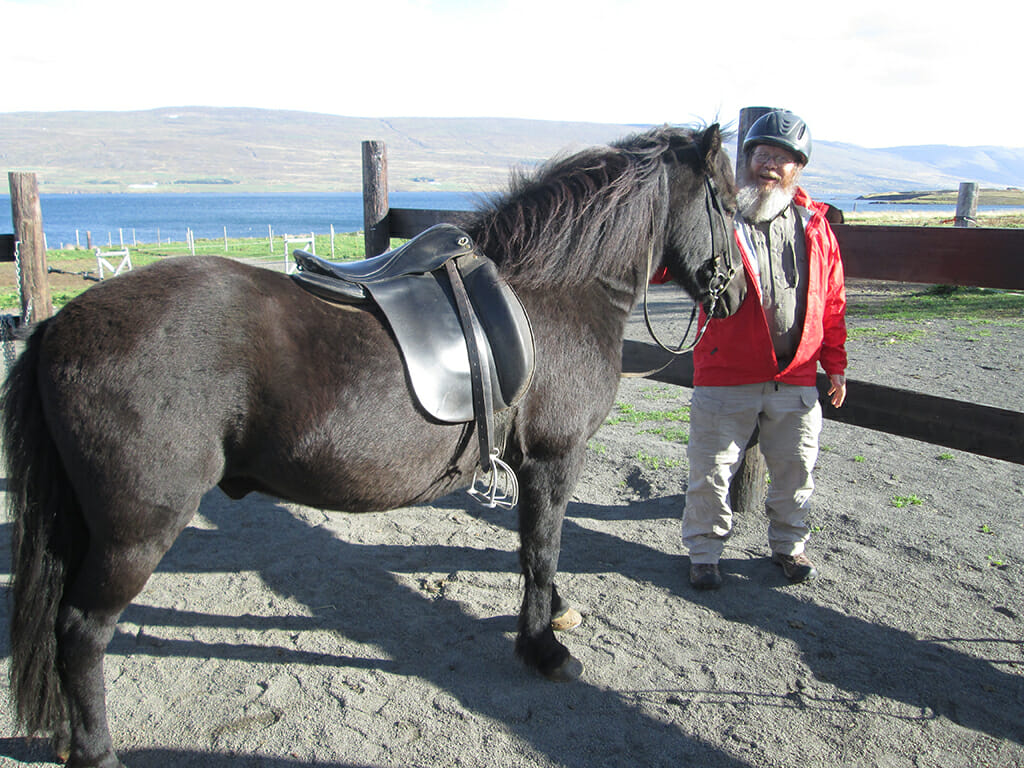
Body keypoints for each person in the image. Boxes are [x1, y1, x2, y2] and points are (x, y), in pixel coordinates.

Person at [682, 109, 847, 590]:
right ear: (747, 158)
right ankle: (705, 555)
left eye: (782, 157)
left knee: (796, 469)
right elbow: (669, 266)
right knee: (711, 470)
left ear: (799, 168)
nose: (769, 164)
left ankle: (789, 548)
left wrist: (834, 365)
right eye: (761, 153)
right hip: (726, 371)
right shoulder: (718, 218)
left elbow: (832, 300)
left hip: (795, 375)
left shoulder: (816, 226)